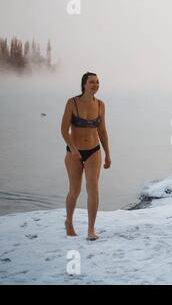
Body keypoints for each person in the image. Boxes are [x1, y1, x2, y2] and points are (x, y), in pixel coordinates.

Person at [60, 72, 111, 240]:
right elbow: (63, 130)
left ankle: (91, 229)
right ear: (84, 85)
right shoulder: (72, 103)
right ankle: (69, 222)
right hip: (74, 152)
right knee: (75, 190)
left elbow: (102, 131)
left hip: (94, 151)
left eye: (97, 82)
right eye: (92, 82)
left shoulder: (101, 105)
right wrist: (72, 148)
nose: (95, 85)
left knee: (93, 189)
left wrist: (108, 154)